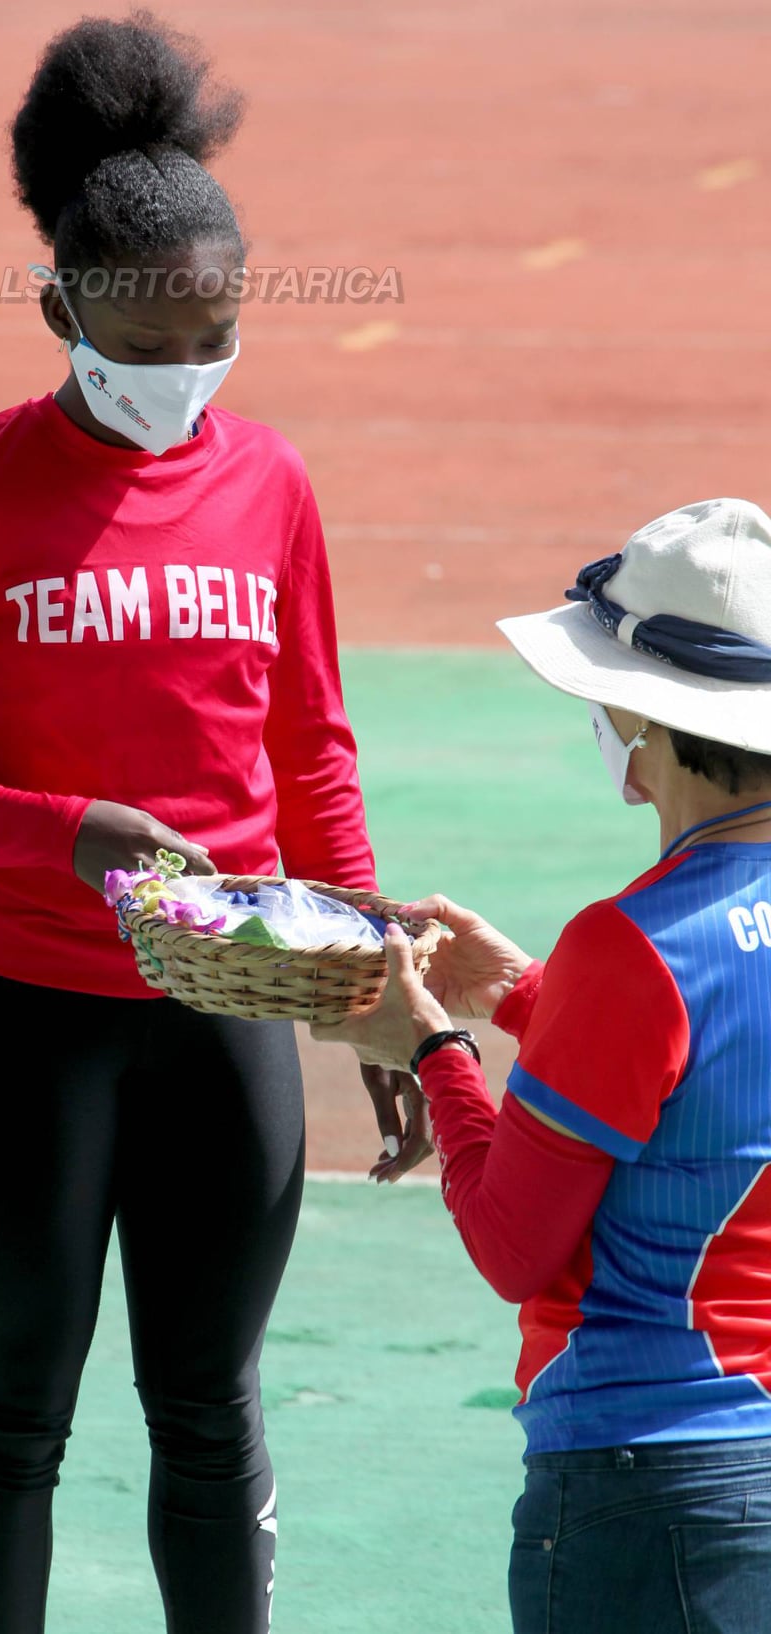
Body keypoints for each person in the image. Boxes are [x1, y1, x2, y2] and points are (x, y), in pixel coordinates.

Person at [0, 12, 423, 1634]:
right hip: (23, 1015)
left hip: (229, 1005)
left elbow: (314, 750)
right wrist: (62, 830)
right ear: (59, 308)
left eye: (213, 339)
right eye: (142, 345)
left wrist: (371, 990)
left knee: (211, 1412)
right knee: (17, 1405)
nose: (178, 376)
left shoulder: (272, 483)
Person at [318, 497, 771, 1633]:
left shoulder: (633, 948)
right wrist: (532, 994)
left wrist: (434, 1050)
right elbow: (713, 1077)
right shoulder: (629, 965)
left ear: (651, 726)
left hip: (651, 1484)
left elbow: (514, 1242)